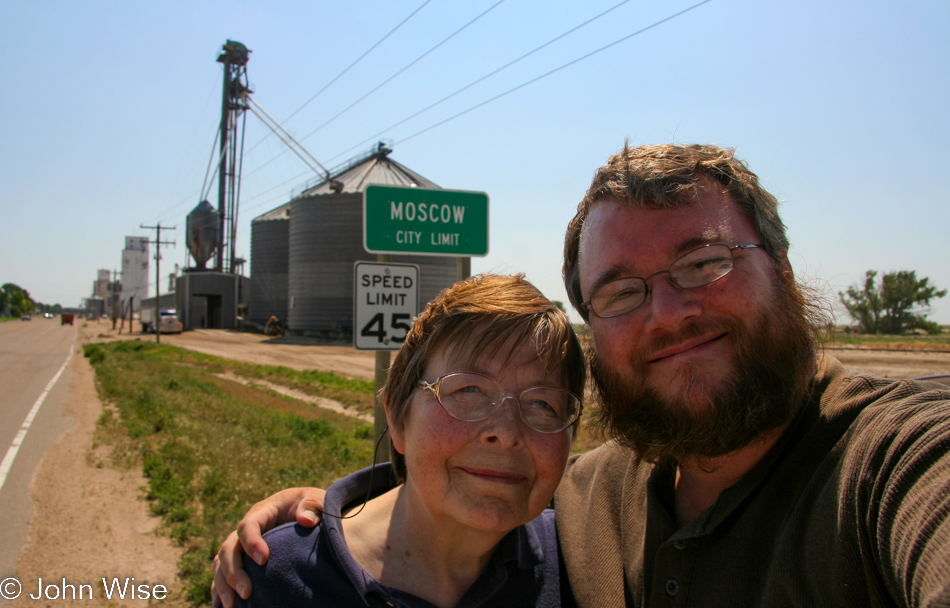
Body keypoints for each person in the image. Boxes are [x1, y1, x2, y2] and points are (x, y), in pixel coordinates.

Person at [214, 144, 950, 607]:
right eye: (622, 292)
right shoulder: (591, 491)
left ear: (783, 273)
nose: (666, 313)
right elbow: (461, 480)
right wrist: (324, 522)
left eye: (703, 263)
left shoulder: (892, 464)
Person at [230, 273, 584, 607]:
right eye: (469, 389)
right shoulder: (276, 581)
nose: (507, 434)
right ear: (398, 417)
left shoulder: (583, 560)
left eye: (543, 404)